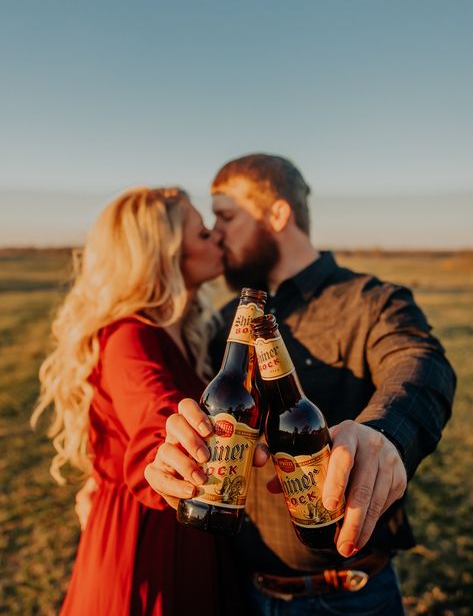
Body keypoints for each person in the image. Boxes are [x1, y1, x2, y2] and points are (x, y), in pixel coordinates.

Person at [145, 154, 456, 615]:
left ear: (277, 214)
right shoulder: (222, 326)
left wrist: (384, 434)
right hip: (242, 591)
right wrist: (173, 451)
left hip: (350, 596)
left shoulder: (371, 301)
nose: (216, 233)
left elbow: (421, 364)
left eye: (226, 216)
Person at [31, 185, 257, 616]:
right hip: (146, 542)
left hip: (189, 524)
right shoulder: (129, 336)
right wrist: (167, 447)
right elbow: (153, 408)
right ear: (166, 253)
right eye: (203, 234)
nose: (218, 239)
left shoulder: (191, 329)